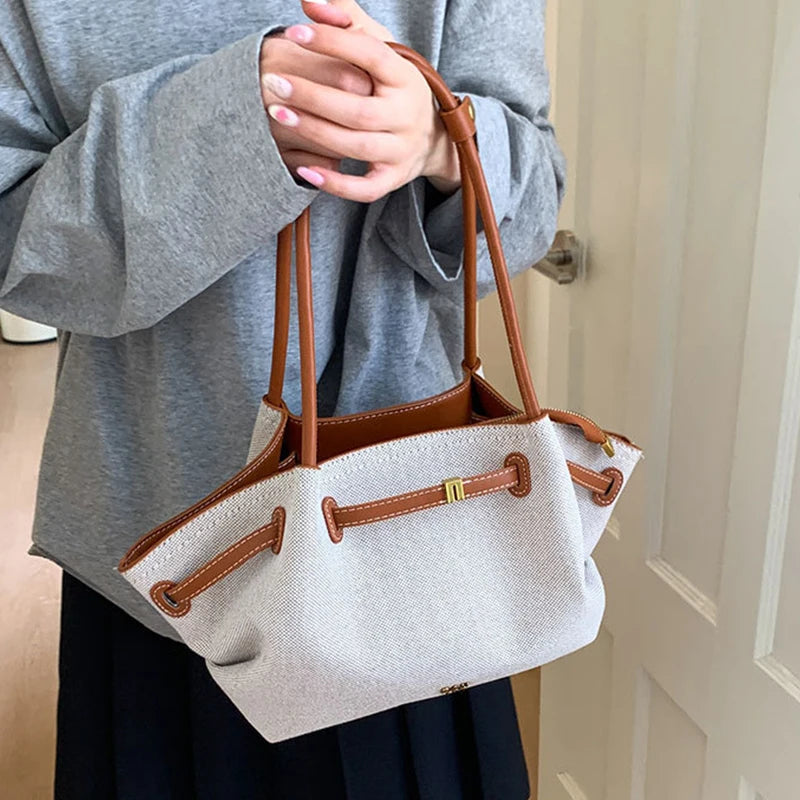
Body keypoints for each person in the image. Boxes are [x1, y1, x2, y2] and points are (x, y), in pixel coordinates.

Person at [0, 0, 565, 796]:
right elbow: (17, 248)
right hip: (157, 561)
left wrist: (439, 141)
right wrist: (226, 129)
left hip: (412, 543)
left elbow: (532, 206)